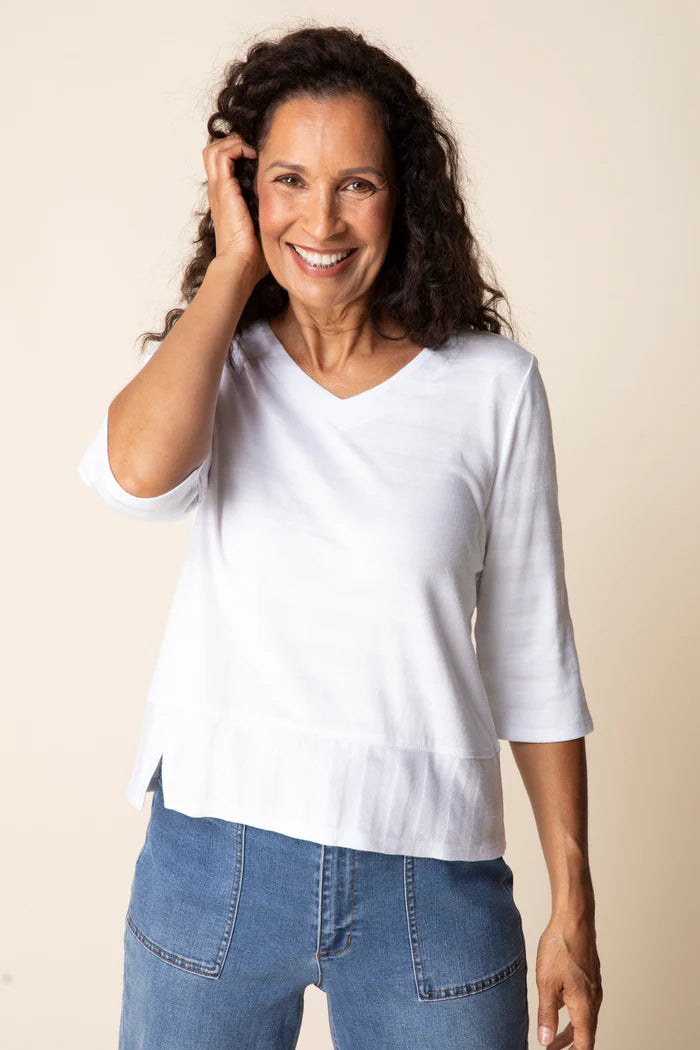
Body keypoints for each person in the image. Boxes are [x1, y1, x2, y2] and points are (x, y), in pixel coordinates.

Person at [77, 24, 603, 1050]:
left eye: (355, 183)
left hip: (429, 890)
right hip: (215, 866)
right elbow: (134, 479)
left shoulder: (491, 388)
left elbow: (532, 657)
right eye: (285, 181)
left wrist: (573, 908)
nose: (320, 219)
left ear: (402, 195)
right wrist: (233, 267)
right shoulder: (216, 368)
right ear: (243, 189)